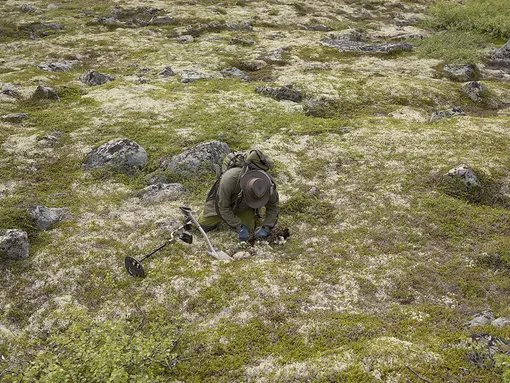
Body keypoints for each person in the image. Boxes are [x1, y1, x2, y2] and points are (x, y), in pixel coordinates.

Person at [198, 149, 279, 241]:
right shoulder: (229, 179)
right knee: (202, 226)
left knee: (250, 233)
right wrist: (239, 226)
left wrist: (266, 227)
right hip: (220, 204)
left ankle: (242, 218)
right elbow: (222, 208)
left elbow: (273, 206)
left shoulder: (267, 184)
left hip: (245, 206)